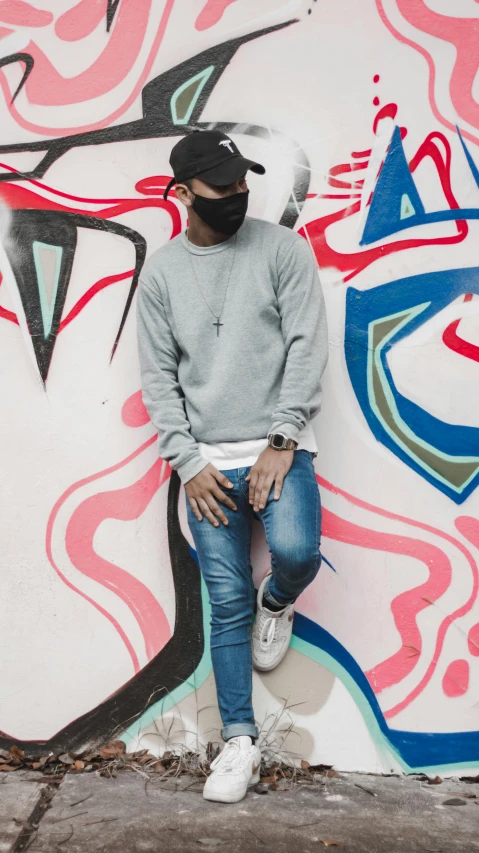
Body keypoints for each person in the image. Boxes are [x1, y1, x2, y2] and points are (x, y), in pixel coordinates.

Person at [136, 129, 328, 804]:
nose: (239, 195)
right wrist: (187, 464)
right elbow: (158, 379)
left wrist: (281, 440)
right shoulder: (160, 273)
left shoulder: (281, 250)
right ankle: (239, 741)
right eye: (223, 187)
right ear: (185, 194)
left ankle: (276, 602)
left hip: (279, 445)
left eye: (244, 182)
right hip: (205, 465)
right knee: (223, 599)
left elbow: (307, 345)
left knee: (296, 550)